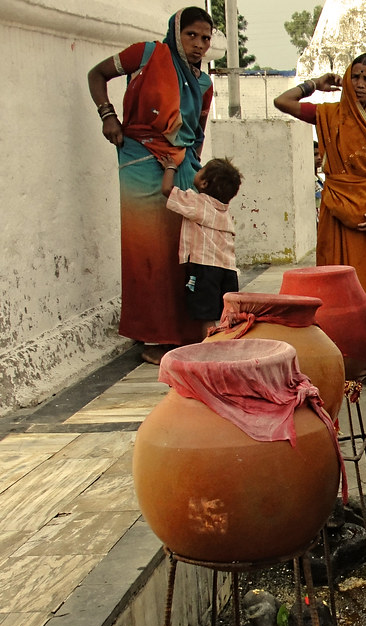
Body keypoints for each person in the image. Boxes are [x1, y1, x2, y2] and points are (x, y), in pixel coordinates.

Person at [87, 7, 215, 364]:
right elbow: (96, 74)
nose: (198, 44)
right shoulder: (147, 54)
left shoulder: (204, 83)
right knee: (148, 250)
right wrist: (107, 115)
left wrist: (194, 171)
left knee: (185, 251)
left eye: (205, 38)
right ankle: (153, 336)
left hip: (183, 166)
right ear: (176, 32)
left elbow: (198, 133)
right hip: (141, 160)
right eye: (191, 35)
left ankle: (184, 332)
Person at [273, 54, 366, 330]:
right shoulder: (328, 114)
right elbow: (282, 102)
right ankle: (338, 350)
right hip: (337, 214)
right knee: (335, 287)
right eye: (355, 76)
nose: (359, 84)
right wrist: (315, 83)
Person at [160, 157, 242, 336]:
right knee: (226, 316)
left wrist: (170, 168)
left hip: (205, 269)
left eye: (201, 168)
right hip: (228, 270)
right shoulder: (225, 210)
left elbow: (167, 189)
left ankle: (209, 351)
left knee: (206, 316)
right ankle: (228, 347)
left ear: (204, 183)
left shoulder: (197, 203)